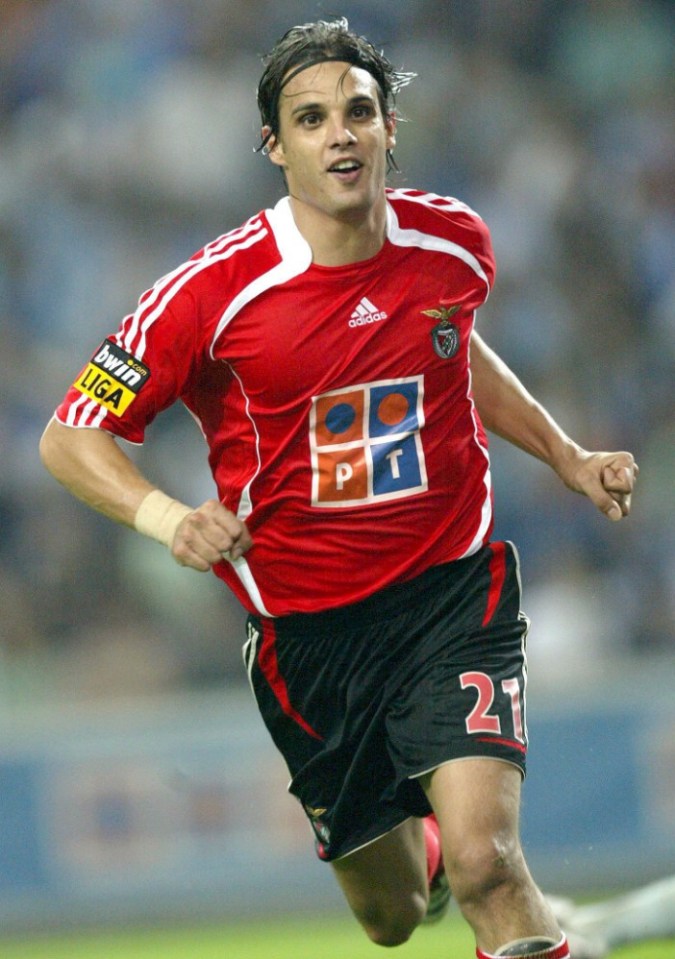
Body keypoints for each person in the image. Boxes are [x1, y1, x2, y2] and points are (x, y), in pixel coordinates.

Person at [39, 18, 638, 959]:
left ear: (389, 127)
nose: (340, 134)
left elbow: (450, 346)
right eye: (311, 119)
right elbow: (71, 433)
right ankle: (427, 848)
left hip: (450, 591)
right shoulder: (210, 293)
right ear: (275, 147)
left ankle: (472, 859)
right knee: (392, 917)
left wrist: (564, 455)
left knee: (489, 863)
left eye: (358, 111)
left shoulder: (454, 243)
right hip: (308, 637)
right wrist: (169, 518)